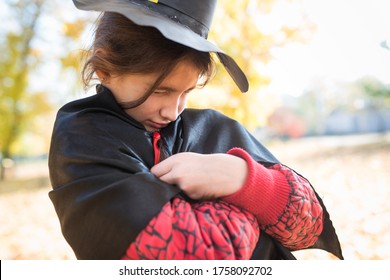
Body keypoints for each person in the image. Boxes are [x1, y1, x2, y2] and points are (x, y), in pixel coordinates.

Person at [48, 0, 343, 260]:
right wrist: (255, 209)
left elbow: (308, 226)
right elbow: (196, 255)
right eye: (161, 90)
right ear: (105, 69)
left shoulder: (212, 127)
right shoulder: (83, 136)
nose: (173, 111)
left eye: (186, 91)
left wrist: (242, 178)